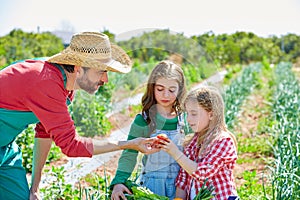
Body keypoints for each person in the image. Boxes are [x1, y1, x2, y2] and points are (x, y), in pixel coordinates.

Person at [0, 31, 157, 200]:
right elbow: (71, 146)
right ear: (79, 69)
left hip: (5, 147)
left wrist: (34, 189)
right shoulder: (46, 81)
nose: (106, 80)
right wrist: (128, 144)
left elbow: (44, 132)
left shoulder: (66, 85)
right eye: (101, 72)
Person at [110, 60, 191, 200]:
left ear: (180, 90)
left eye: (172, 90)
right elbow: (129, 153)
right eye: (160, 89)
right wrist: (118, 182)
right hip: (152, 186)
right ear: (152, 88)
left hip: (181, 188)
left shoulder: (187, 120)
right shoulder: (143, 120)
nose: (166, 95)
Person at [158, 86, 238, 200]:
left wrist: (175, 153)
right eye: (187, 114)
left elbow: (203, 173)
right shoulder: (193, 142)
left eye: (194, 114)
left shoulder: (223, 141)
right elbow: (183, 179)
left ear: (211, 114)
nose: (189, 119)